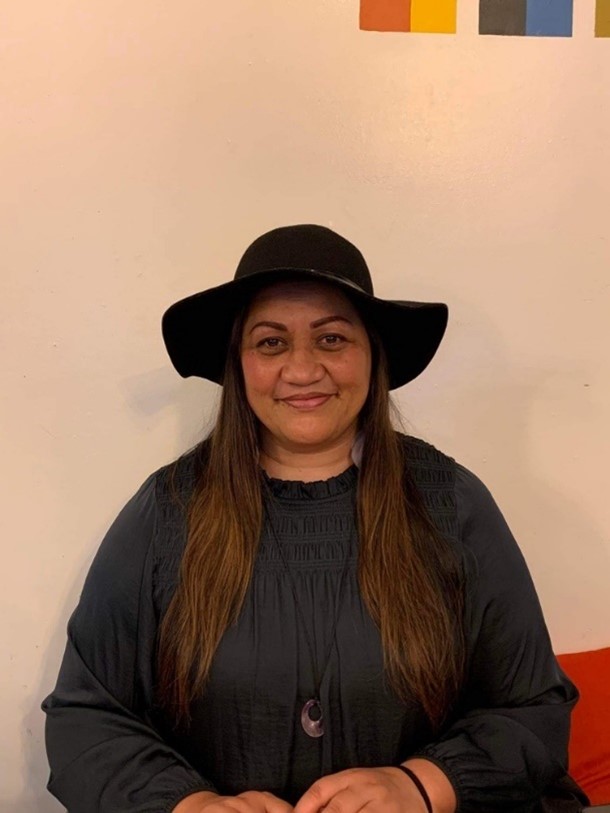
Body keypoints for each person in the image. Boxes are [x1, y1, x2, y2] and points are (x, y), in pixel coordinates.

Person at [43, 224, 583, 813]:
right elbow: (85, 717)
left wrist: (420, 786)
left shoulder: (452, 503)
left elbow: (533, 709)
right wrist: (190, 806)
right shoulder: (167, 510)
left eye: (331, 339)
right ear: (239, 363)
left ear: (372, 354)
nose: (302, 371)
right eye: (271, 343)